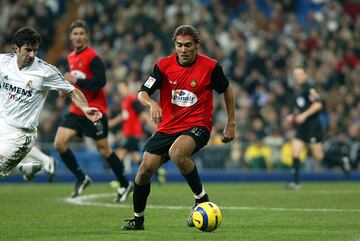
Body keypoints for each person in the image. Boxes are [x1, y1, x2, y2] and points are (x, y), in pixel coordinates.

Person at [121, 25, 235, 231]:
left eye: (188, 45)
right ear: (174, 45)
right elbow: (142, 93)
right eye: (179, 45)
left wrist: (230, 123)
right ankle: (138, 220)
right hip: (167, 127)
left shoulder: (210, 67)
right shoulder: (163, 66)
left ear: (197, 45)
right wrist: (152, 104)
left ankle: (201, 200)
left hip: (198, 125)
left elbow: (227, 90)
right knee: (144, 170)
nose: (183, 50)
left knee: (177, 153)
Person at [0, 27, 102, 179]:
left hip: (21, 134)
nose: (32, 55)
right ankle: (23, 167)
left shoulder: (45, 71)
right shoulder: (3, 62)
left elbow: (71, 90)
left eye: (35, 50)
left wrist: (85, 108)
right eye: (28, 50)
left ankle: (22, 167)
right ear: (15, 48)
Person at [53, 20, 133, 200]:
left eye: (81, 33)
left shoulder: (93, 57)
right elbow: (73, 82)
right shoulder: (71, 57)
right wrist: (65, 90)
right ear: (70, 37)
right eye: (75, 34)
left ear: (87, 36)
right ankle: (81, 177)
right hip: (76, 110)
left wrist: (76, 81)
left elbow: (100, 82)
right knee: (59, 143)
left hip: (95, 111)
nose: (78, 37)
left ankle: (125, 183)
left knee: (104, 149)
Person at [285, 66, 324, 190]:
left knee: (318, 156)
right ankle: (296, 183)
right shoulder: (299, 90)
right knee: (295, 151)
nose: (297, 77)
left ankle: (340, 160)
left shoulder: (310, 88)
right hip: (303, 127)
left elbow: (318, 104)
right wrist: (293, 116)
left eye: (300, 74)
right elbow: (301, 108)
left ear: (306, 75)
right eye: (295, 75)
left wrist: (304, 115)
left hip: (312, 125)